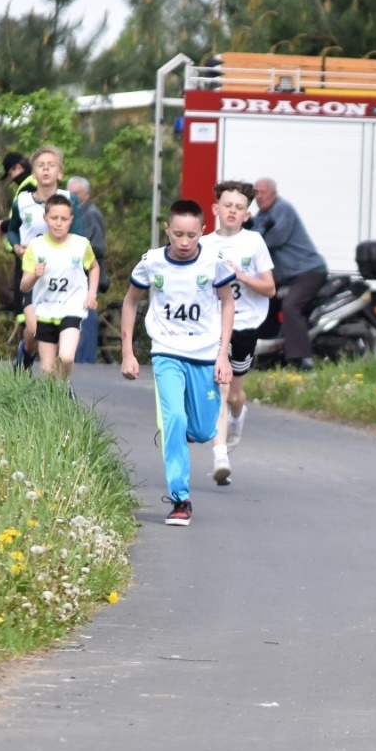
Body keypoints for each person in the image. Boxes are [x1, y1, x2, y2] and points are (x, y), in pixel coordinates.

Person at [119, 199, 236, 526]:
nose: (184, 243)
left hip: (203, 354)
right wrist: (128, 353)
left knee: (200, 430)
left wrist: (223, 353)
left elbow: (228, 305)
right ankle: (180, 499)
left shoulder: (213, 262)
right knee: (175, 420)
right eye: (178, 235)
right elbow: (130, 302)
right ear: (167, 230)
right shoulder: (152, 263)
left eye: (191, 236)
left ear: (202, 232)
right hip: (166, 352)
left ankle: (183, 433)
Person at [204, 180, 276, 485]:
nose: (232, 211)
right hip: (215, 327)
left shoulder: (254, 242)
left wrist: (242, 276)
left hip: (246, 325)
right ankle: (220, 455)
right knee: (219, 389)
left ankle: (237, 419)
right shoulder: (204, 244)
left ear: (247, 214)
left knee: (234, 395)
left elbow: (270, 288)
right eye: (228, 206)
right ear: (215, 209)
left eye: (239, 208)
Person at [20, 196, 99, 381]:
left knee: (66, 357)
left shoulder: (81, 244)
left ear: (71, 220)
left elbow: (94, 267)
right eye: (54, 218)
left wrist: (91, 293)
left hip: (72, 307)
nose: (58, 224)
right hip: (45, 309)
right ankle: (54, 401)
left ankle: (63, 388)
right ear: (45, 217)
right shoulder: (36, 246)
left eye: (64, 219)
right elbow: (24, 286)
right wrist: (34, 275)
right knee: (47, 372)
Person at [253, 177, 327, 370]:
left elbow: (275, 238)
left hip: (308, 271)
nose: (258, 197)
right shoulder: (261, 215)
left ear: (273, 193)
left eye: (262, 192)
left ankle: (304, 360)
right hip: (288, 276)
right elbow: (251, 235)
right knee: (263, 302)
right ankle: (268, 357)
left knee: (291, 306)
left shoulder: (282, 209)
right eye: (256, 193)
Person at [11, 147, 72, 365]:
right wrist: (16, 247)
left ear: (60, 173)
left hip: (61, 274)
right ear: (33, 173)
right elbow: (11, 229)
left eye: (51, 165)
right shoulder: (23, 201)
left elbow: (81, 237)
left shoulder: (68, 200)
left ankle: (58, 383)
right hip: (31, 272)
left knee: (58, 330)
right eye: (40, 165)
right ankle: (26, 352)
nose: (46, 169)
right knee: (35, 329)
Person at [68, 175, 109, 364]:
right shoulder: (74, 213)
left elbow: (99, 247)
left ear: (87, 194)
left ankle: (86, 360)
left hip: (88, 274)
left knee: (88, 315)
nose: (72, 197)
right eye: (70, 193)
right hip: (76, 275)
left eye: (76, 193)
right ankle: (77, 356)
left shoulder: (90, 213)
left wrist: (77, 251)